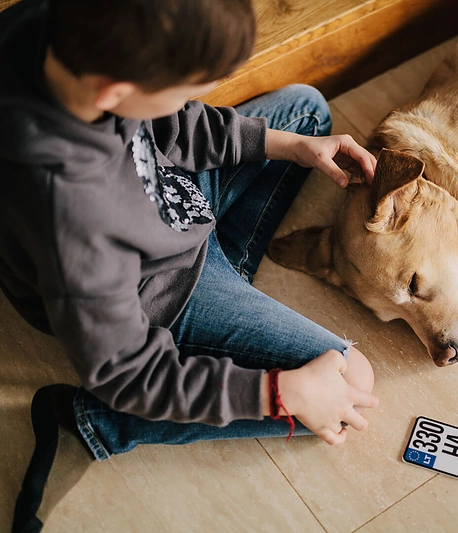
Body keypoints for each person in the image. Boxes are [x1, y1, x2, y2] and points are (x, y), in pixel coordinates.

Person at [0, 0, 381, 530]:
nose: (188, 102)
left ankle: (230, 287)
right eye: (181, 90)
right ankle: (99, 423)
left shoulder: (50, 26)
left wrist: (289, 145)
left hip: (166, 209)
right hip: (154, 292)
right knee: (348, 381)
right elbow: (126, 372)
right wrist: (277, 392)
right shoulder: (71, 216)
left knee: (306, 113)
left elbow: (174, 126)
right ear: (114, 94)